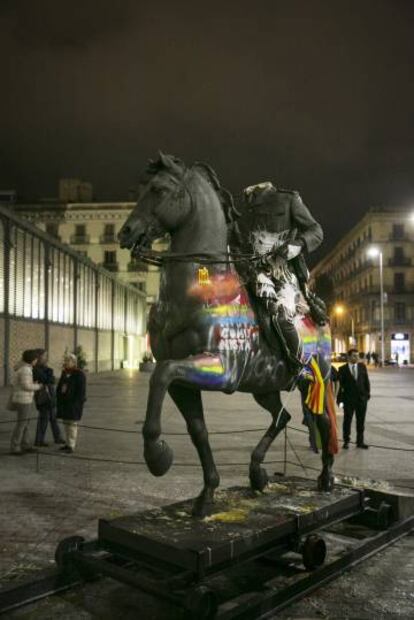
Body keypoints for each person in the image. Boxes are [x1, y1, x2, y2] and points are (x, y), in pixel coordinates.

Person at [234, 181, 326, 371]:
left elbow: (315, 231)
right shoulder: (242, 211)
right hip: (248, 274)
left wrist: (298, 244)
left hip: (281, 273)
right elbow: (233, 243)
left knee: (281, 315)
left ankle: (300, 365)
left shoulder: (288, 199)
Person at [10, 349, 42, 455]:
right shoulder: (26, 370)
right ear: (32, 359)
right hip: (23, 399)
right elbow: (26, 386)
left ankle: (26, 444)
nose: (37, 361)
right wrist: (38, 386)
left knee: (25, 423)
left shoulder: (23, 368)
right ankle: (15, 447)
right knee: (22, 423)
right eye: (36, 359)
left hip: (22, 398)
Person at [337, 349, 371, 449]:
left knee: (361, 421)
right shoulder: (342, 369)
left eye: (357, 356)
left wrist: (367, 395)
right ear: (349, 357)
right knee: (347, 421)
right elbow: (340, 386)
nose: (356, 358)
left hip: (361, 400)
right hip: (348, 400)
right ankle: (346, 441)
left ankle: (360, 442)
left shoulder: (362, 367)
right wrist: (340, 400)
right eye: (354, 356)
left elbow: (366, 382)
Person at [33, 349, 65, 447]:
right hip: (43, 396)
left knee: (54, 418)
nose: (46, 358)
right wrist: (49, 375)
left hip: (51, 395)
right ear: (38, 357)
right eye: (44, 356)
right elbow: (46, 379)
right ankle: (39, 440)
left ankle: (58, 437)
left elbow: (52, 379)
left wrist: (50, 375)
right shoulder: (36, 369)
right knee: (44, 419)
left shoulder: (45, 368)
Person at [56, 353, 87, 454]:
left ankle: (71, 445)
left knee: (72, 424)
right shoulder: (65, 372)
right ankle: (67, 443)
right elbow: (60, 385)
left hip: (74, 404)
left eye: (67, 361)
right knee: (66, 424)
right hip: (64, 403)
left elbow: (81, 391)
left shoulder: (79, 374)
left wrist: (76, 402)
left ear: (73, 362)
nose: (65, 363)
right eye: (65, 361)